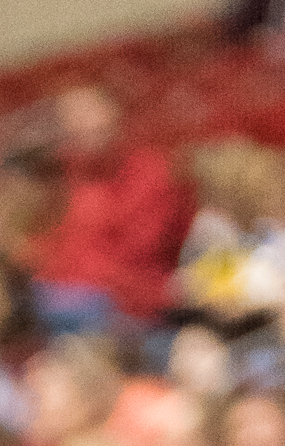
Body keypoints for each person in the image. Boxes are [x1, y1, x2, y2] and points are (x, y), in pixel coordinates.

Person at [26, 83, 192, 334]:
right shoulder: (53, 184)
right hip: (81, 311)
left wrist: (163, 292)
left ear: (114, 113)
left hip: (145, 311)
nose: (82, 123)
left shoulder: (153, 172)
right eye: (71, 116)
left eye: (90, 111)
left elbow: (171, 245)